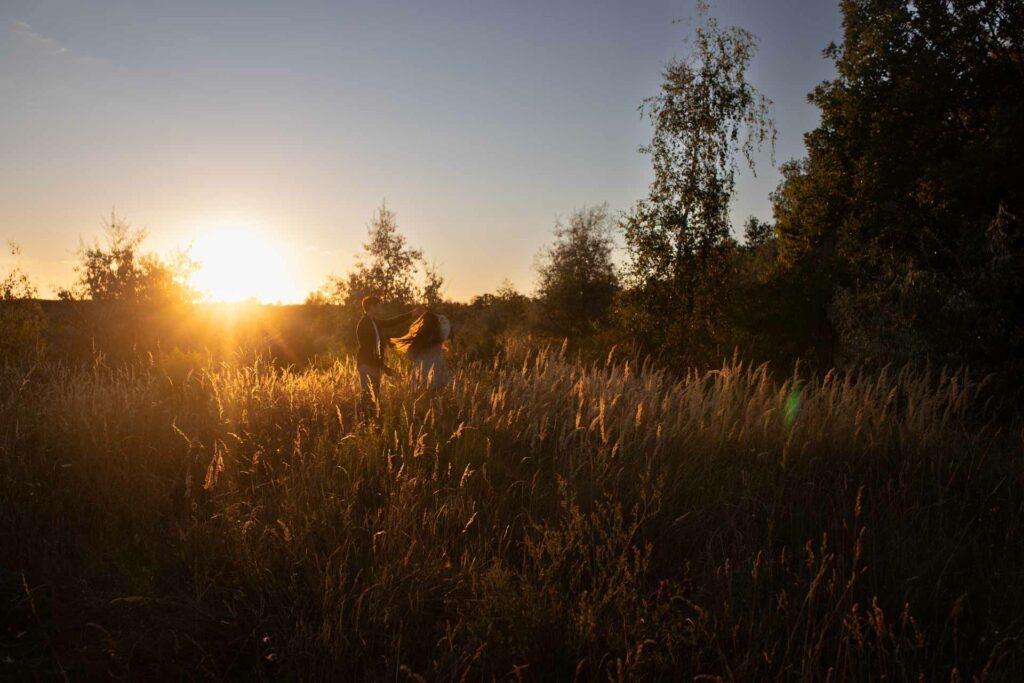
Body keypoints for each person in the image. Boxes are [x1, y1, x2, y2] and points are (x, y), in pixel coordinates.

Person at [356, 296, 424, 419]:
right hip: (366, 364)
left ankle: (371, 421)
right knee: (366, 395)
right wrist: (385, 368)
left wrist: (412, 314)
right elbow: (367, 350)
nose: (380, 307)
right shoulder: (363, 324)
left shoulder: (374, 321)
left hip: (374, 364)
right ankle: (361, 421)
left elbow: (392, 322)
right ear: (371, 306)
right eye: (378, 305)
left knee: (375, 396)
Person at [392, 311, 452, 393]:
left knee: (421, 395)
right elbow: (446, 323)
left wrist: (419, 358)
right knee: (437, 395)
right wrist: (439, 317)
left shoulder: (419, 338)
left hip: (420, 367)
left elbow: (409, 356)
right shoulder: (440, 335)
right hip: (437, 366)